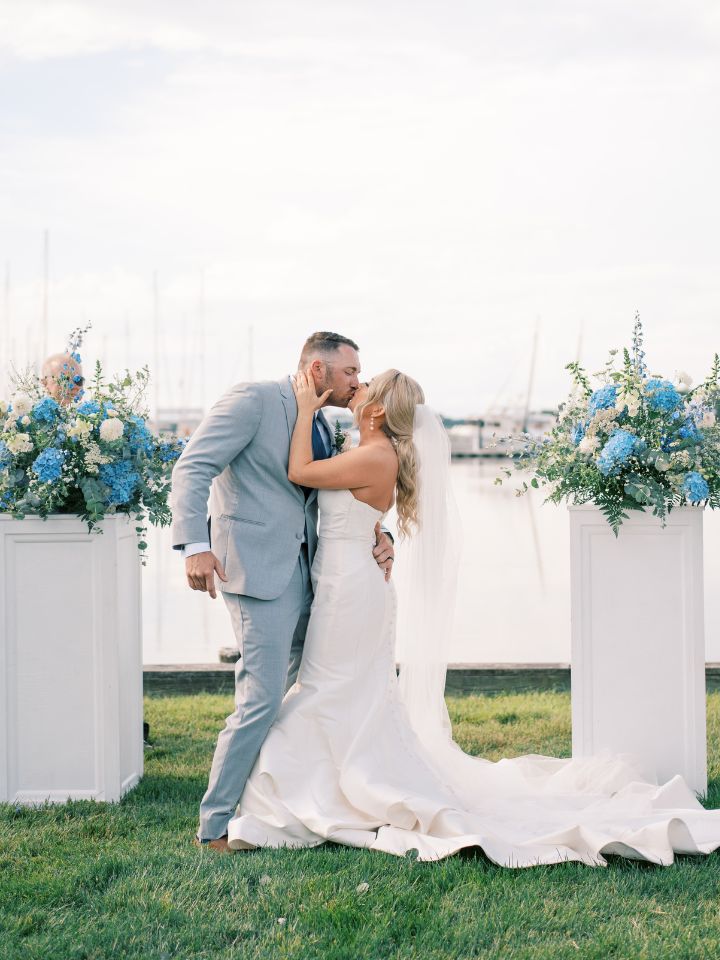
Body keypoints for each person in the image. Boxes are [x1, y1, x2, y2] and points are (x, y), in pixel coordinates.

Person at [219, 368, 720, 868]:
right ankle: (329, 781)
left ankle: (315, 786)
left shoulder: (374, 454)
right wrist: (381, 532)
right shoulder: (365, 448)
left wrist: (305, 408)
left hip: (350, 590)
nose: (358, 383)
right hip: (343, 581)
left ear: (375, 410)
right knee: (342, 691)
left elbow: (300, 472)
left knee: (329, 688)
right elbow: (353, 508)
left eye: (365, 383)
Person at [169, 332, 395, 850]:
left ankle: (278, 800)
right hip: (255, 569)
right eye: (350, 373)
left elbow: (333, 496)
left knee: (299, 696)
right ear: (317, 369)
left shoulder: (320, 420)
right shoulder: (253, 400)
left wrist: (380, 536)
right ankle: (215, 824)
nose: (358, 382)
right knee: (261, 698)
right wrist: (194, 547)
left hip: (312, 572)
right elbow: (193, 466)